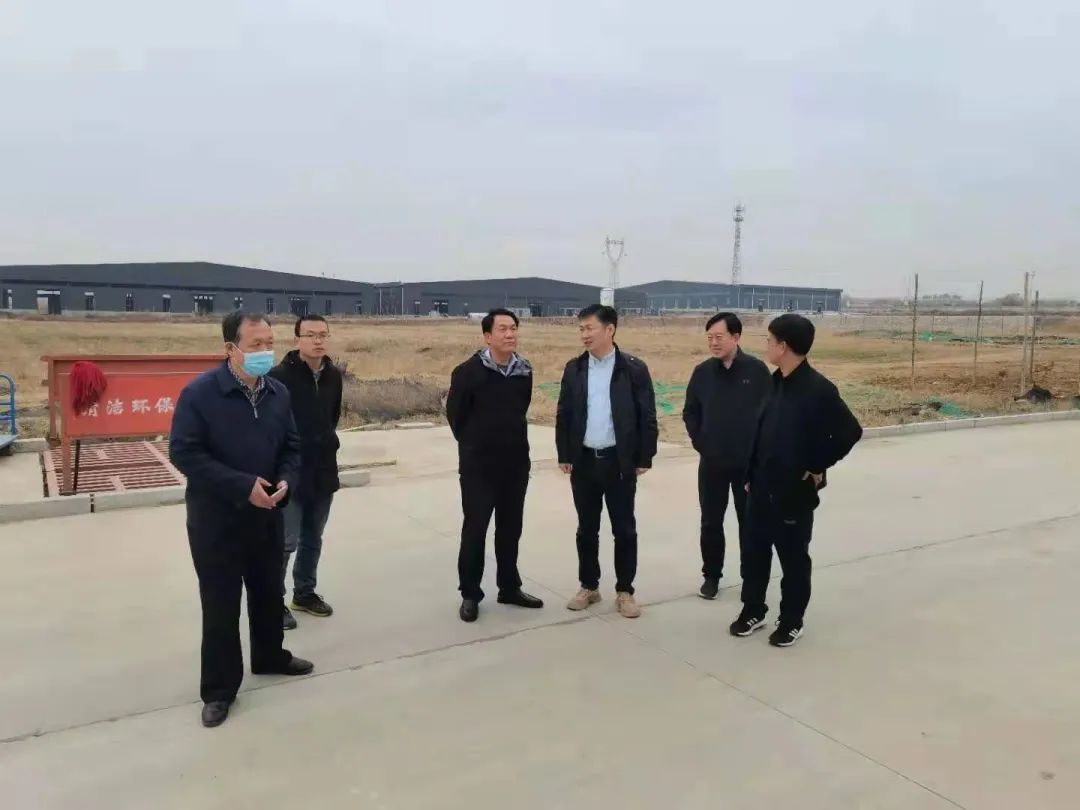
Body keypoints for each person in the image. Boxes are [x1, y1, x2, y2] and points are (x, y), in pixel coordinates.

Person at [170, 311, 314, 728]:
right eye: (255, 345)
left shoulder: (277, 393)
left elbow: (291, 446)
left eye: (269, 343)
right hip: (217, 521)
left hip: (267, 514)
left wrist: (286, 480)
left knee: (268, 592)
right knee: (221, 603)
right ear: (230, 349)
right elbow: (184, 453)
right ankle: (219, 689)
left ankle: (270, 656)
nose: (265, 351)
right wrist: (241, 485)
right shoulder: (200, 394)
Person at [731, 314, 862, 647]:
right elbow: (760, 433)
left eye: (769, 340)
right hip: (759, 488)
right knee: (754, 554)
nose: (766, 346)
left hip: (793, 492)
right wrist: (749, 475)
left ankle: (792, 619)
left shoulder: (818, 389)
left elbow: (850, 431)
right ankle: (753, 609)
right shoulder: (773, 382)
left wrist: (816, 464)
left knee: (793, 560)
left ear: (784, 346)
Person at [556, 304, 658, 619]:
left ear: (609, 329)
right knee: (586, 529)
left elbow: (647, 415)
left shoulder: (633, 369)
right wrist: (564, 453)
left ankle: (625, 591)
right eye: (581, 329)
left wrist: (644, 456)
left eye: (589, 328)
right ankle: (589, 586)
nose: (584, 334)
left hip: (618, 462)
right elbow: (564, 413)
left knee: (624, 529)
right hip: (584, 460)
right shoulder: (574, 369)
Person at [445, 308, 544, 623]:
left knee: (510, 529)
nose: (510, 334)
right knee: (475, 530)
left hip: (515, 465)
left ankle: (509, 587)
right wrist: (475, 446)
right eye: (503, 329)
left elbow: (520, 412)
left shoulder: (524, 371)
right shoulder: (467, 372)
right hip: (479, 468)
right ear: (487, 336)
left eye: (513, 328)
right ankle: (470, 593)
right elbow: (456, 417)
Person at [683, 312, 772, 600]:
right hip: (712, 464)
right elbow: (690, 412)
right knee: (711, 522)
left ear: (736, 337)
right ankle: (711, 576)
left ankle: (751, 578)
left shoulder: (757, 372)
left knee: (750, 523)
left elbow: (770, 415)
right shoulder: (702, 373)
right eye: (709, 338)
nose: (713, 343)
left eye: (719, 337)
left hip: (748, 466)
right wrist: (702, 443)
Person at [269, 314, 343, 630]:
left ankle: (304, 593)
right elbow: (271, 427)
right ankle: (273, 602)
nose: (318, 340)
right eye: (311, 334)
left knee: (313, 537)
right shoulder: (279, 377)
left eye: (323, 334)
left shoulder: (333, 376)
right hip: (291, 473)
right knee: (286, 541)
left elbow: (332, 418)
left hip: (323, 469)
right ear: (297, 338)